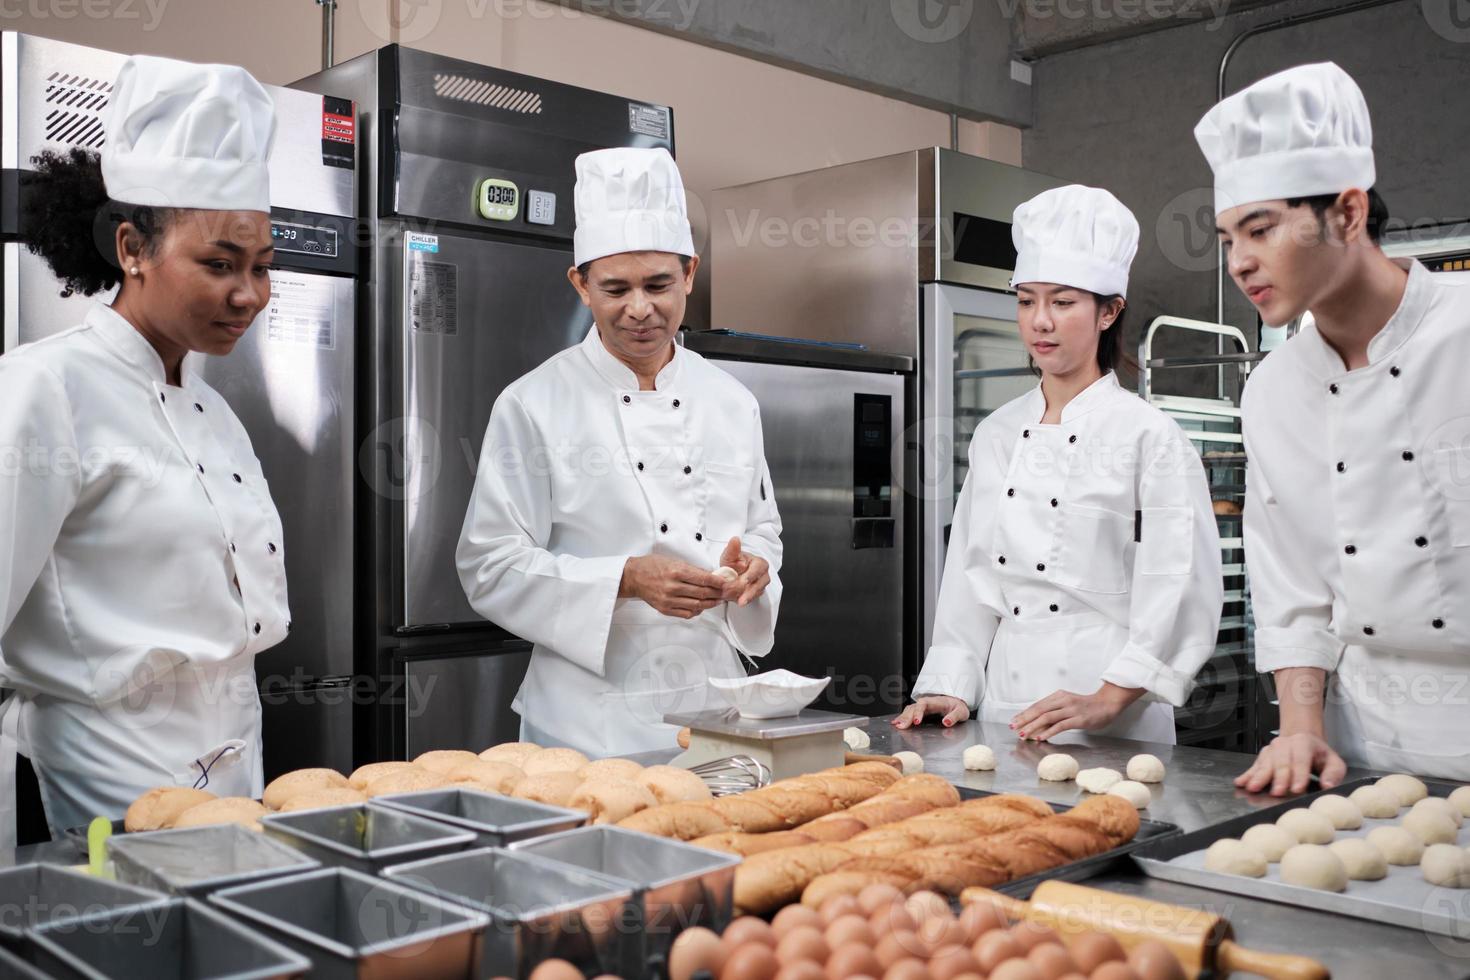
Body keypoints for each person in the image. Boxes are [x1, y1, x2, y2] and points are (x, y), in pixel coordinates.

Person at [0, 55, 286, 844]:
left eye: (262, 267)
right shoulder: (43, 390)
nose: (249, 294)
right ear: (132, 248)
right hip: (105, 791)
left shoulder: (216, 416)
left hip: (235, 779)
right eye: (219, 264)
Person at [1195, 62, 1470, 792]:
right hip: (1367, 743)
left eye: (1260, 229)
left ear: (1348, 214)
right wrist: (1301, 731)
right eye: (1227, 238)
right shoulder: (1273, 391)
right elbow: (1292, 591)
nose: (1240, 262)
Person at [457, 147, 782, 756]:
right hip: (585, 724)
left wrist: (756, 569)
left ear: (690, 273)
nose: (640, 308)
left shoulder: (732, 401)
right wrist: (625, 579)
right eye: (615, 288)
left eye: (659, 284)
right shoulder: (533, 403)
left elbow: (762, 528)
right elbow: (489, 564)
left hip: (714, 708)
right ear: (581, 285)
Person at [894, 185, 1222, 743]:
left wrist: (1111, 697)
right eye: (1026, 301)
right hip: (1006, 708)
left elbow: (1182, 582)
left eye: (1063, 302)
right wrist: (950, 685)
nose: (1040, 321)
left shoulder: (1148, 436)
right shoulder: (996, 433)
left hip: (1114, 713)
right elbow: (968, 583)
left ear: (1109, 311)